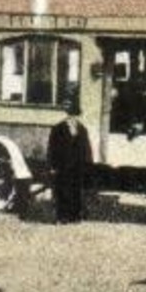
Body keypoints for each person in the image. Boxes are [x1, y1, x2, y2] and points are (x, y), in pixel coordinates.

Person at [46, 96, 93, 224]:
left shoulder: (82, 130)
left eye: (75, 116)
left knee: (76, 192)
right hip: (62, 166)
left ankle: (75, 217)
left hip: (77, 167)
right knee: (61, 192)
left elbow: (87, 149)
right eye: (71, 116)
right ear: (67, 116)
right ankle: (61, 217)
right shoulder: (57, 129)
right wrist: (51, 166)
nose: (73, 119)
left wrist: (88, 165)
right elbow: (52, 149)